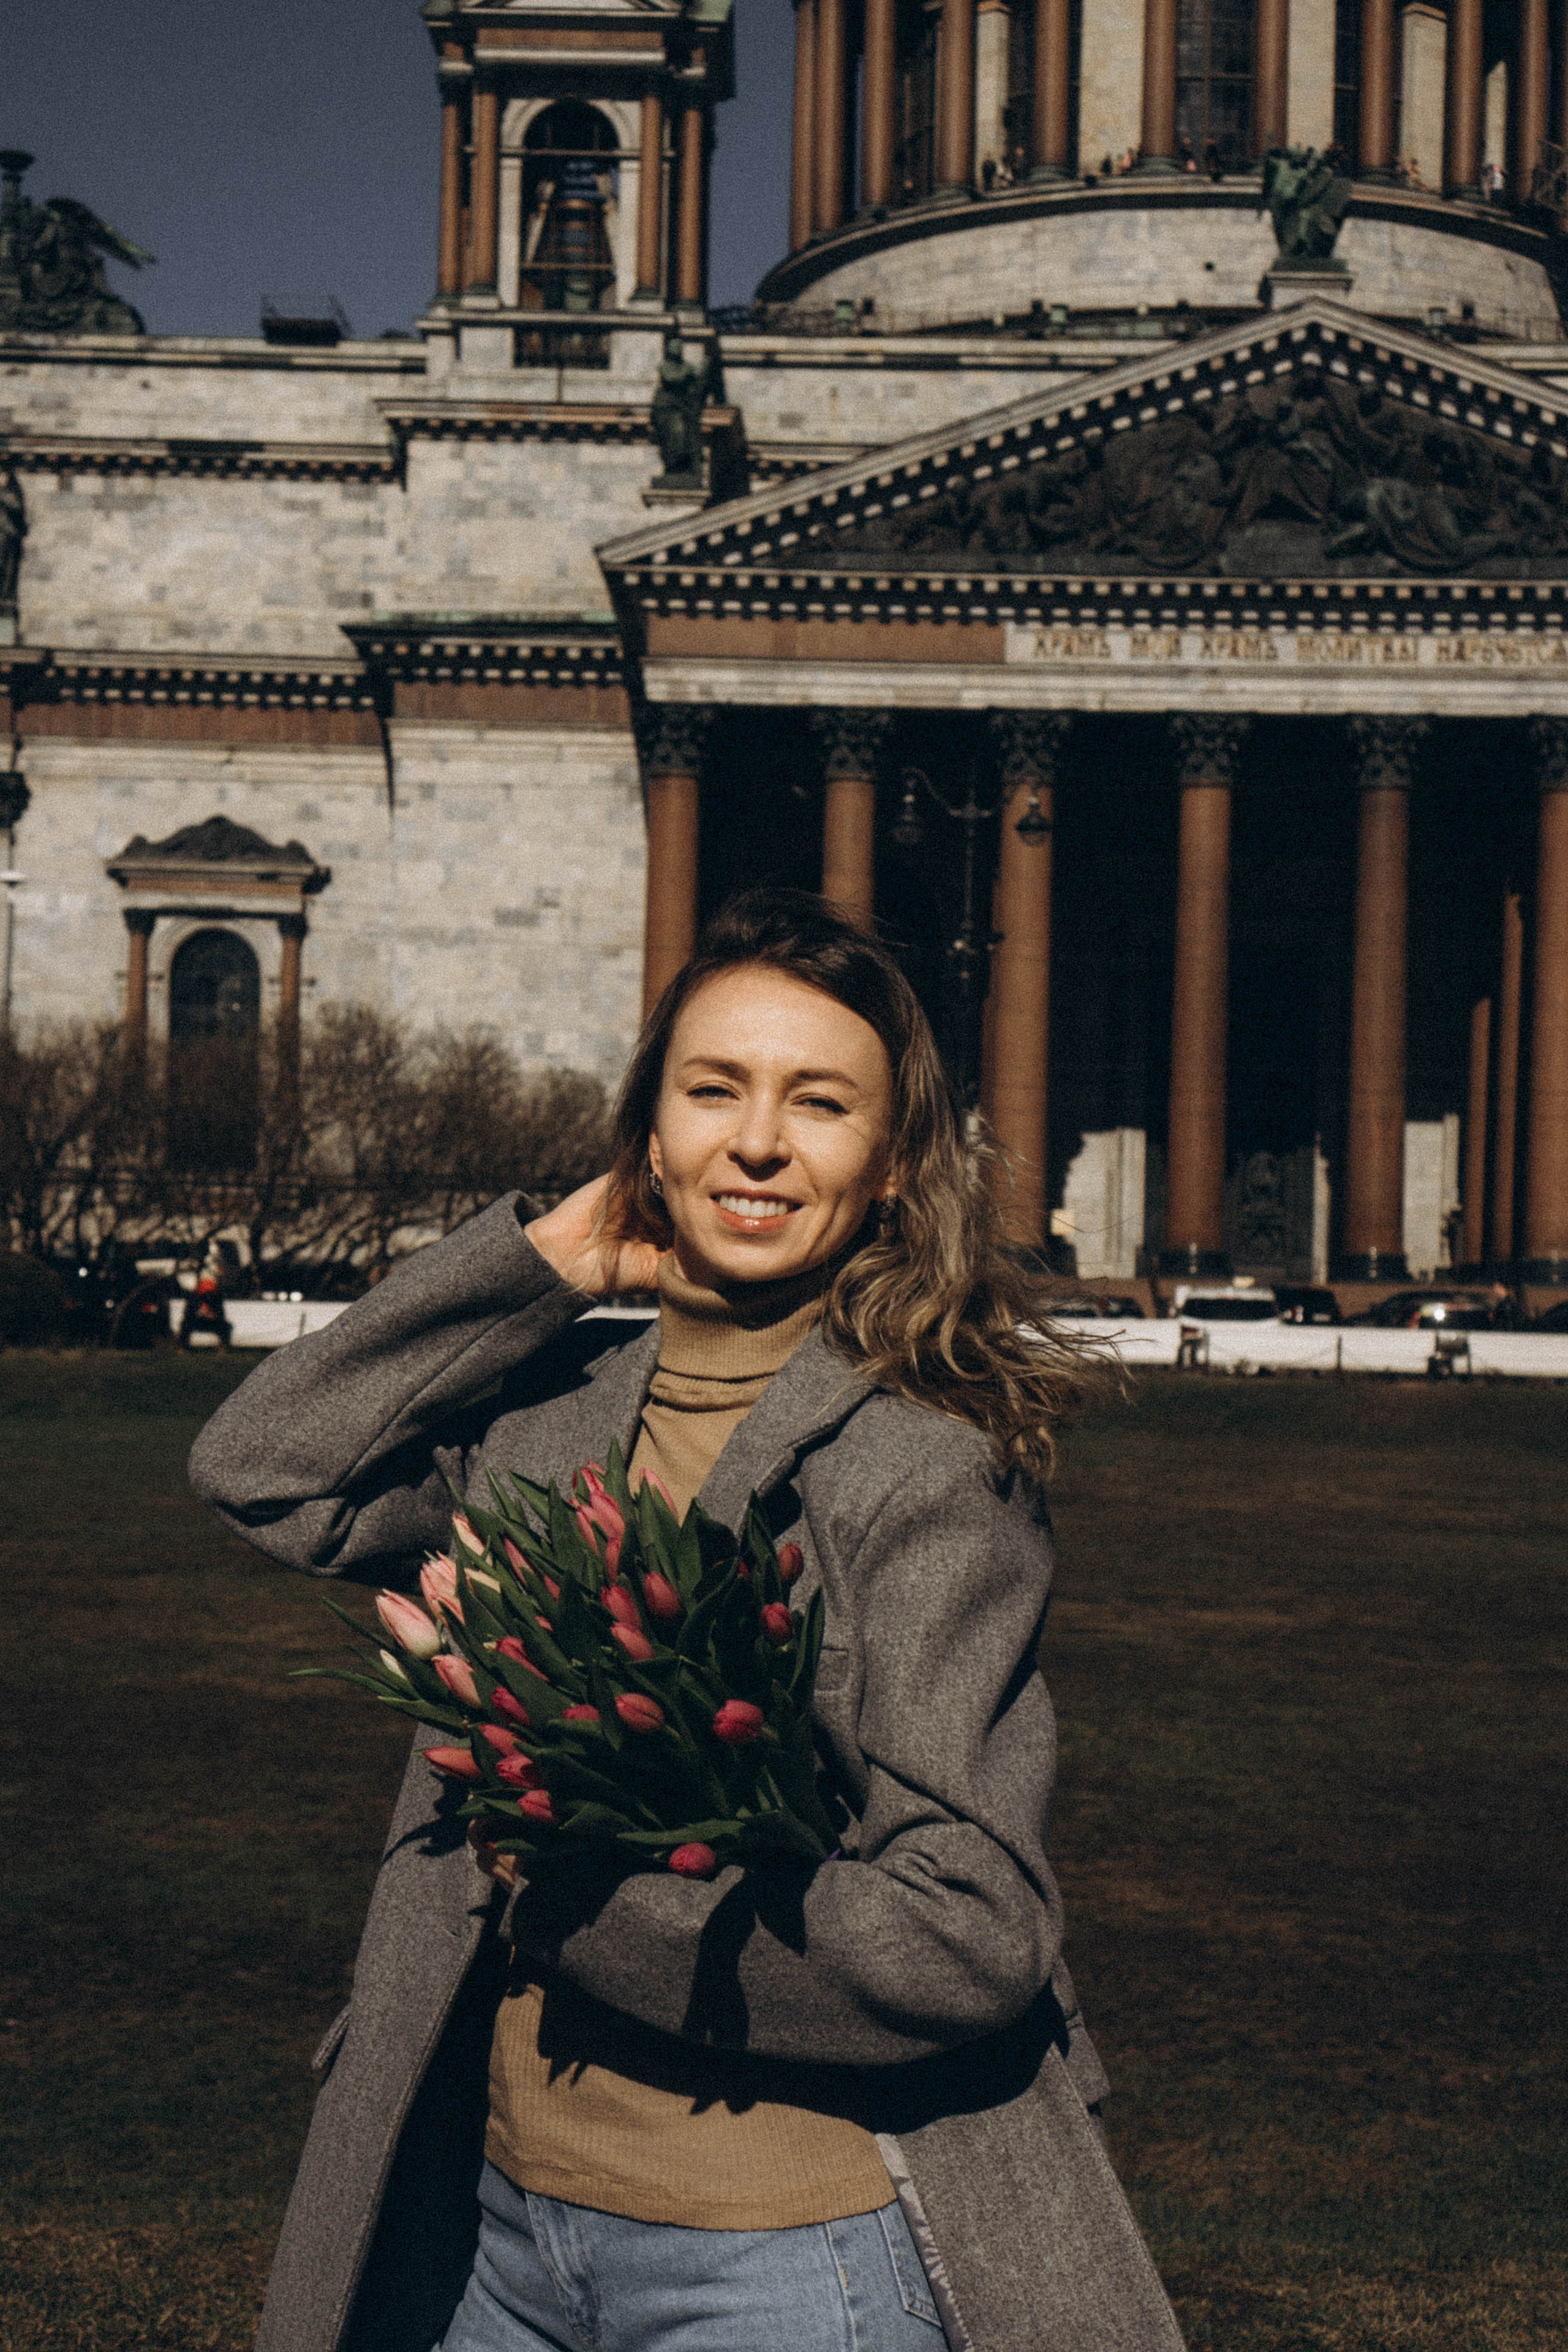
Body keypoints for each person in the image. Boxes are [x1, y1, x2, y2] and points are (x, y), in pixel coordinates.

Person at [189, 889, 1186, 2352]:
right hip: (490, 2231)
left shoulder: (921, 1469)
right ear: (647, 1133)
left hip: (779, 2257)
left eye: (819, 1103)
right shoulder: (550, 1422)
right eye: (712, 1089)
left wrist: (587, 1901)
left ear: (892, 1167)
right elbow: (265, 1471)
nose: (757, 1142)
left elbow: (966, 1933)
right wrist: (545, 1261)